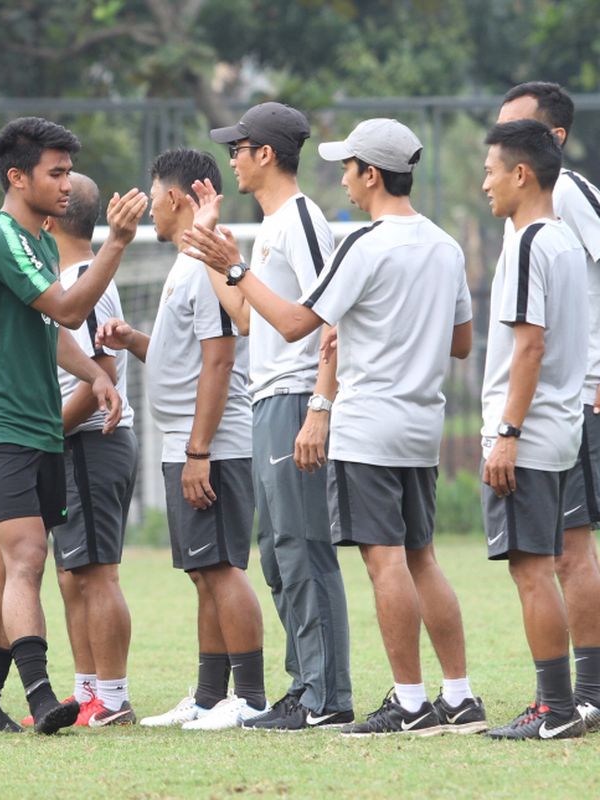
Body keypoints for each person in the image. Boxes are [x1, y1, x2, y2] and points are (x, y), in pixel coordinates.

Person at [188, 118, 482, 736]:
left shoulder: (360, 244)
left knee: (384, 564)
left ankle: (406, 704)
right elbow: (460, 344)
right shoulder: (446, 246)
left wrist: (239, 273)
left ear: (371, 174)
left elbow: (300, 325)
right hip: (422, 425)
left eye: (348, 166)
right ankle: (458, 696)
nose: (342, 178)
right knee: (422, 558)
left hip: (368, 422)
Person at [0, 116, 143, 736]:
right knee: (29, 556)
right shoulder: (1, 236)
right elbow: (69, 305)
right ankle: (40, 698)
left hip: (37, 427)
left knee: (13, 567)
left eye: (68, 172)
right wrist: (115, 242)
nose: (67, 185)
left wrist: (96, 374)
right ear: (18, 177)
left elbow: (51, 329)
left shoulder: (36, 240)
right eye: (55, 173)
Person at [198, 101, 354, 731]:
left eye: (238, 147)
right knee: (278, 554)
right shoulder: (269, 228)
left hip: (295, 400)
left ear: (265, 154)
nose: (231, 158)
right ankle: (304, 688)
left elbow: (331, 314)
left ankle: (325, 696)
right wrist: (213, 250)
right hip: (268, 401)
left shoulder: (302, 219)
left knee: (304, 548)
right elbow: (245, 316)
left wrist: (320, 406)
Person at [99, 149, 265, 731]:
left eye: (153, 193)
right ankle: (208, 696)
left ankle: (249, 697)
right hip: (184, 439)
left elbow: (219, 363)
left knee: (221, 567)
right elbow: (185, 354)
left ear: (175, 198)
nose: (149, 209)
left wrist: (199, 451)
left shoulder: (205, 261)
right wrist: (134, 340)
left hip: (210, 444)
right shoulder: (184, 261)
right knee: (203, 571)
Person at [478, 119, 587, 740]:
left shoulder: (526, 244)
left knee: (530, 568)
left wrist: (508, 432)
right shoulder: (567, 241)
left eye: (491, 170)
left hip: (531, 432)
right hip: (560, 429)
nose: (485, 182)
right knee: (543, 563)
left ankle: (555, 709)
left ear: (521, 174)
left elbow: (530, 348)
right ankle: (559, 705)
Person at [497, 81, 600, 730]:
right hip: (567, 395)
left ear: (548, 142)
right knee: (563, 547)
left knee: (569, 550)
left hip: (573, 396)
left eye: (513, 132)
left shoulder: (565, 196)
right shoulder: (532, 215)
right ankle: (580, 693)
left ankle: (583, 690)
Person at [38, 172, 138, 727]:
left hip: (92, 441)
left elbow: (103, 373)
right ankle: (86, 694)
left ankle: (114, 697)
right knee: (71, 573)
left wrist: (47, 433)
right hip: (69, 443)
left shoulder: (86, 278)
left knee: (98, 572)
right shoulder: (65, 281)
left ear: (50, 217)